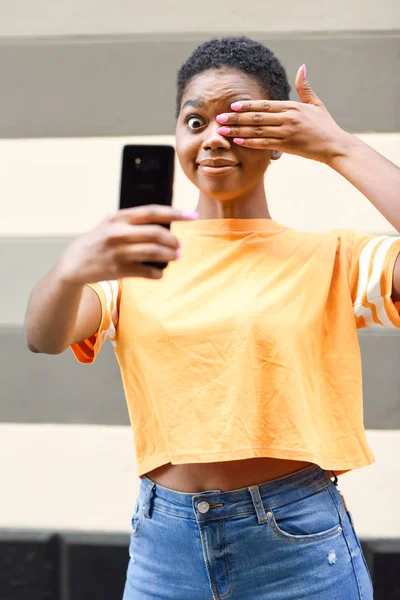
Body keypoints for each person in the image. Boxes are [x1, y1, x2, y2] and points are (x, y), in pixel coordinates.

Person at [24, 36, 400, 599]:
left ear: (279, 139)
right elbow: (43, 335)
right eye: (195, 121)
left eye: (237, 120)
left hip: (295, 547)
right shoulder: (138, 257)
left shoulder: (335, 257)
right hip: (163, 549)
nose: (213, 138)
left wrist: (339, 148)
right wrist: (70, 270)